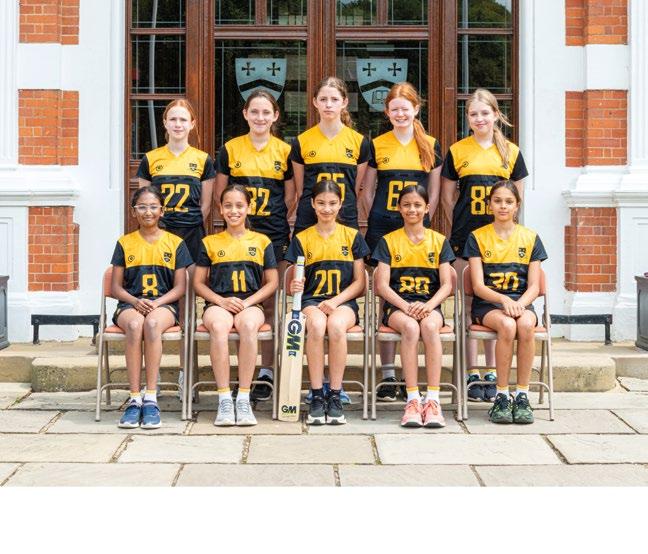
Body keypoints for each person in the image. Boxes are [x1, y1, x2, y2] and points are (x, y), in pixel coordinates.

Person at [440, 88, 528, 402]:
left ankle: (491, 371)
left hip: (500, 240)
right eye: (473, 114)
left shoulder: (511, 153)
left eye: (484, 113)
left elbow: (517, 198)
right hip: (466, 237)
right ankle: (470, 371)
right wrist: (461, 228)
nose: (479, 119)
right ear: (468, 118)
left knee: (494, 304)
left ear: (495, 115)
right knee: (466, 307)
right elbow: (448, 199)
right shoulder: (457, 150)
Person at [360, 82, 443, 402]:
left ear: (416, 109)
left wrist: (418, 219)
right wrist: (381, 216)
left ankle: (415, 375)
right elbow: (367, 191)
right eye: (394, 109)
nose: (400, 114)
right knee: (386, 296)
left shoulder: (430, 145)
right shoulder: (378, 144)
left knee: (419, 289)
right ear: (387, 112)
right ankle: (388, 374)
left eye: (405, 108)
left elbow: (433, 192)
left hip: (418, 226)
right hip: (384, 226)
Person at [215, 90, 294, 403]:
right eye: (255, 112)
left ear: (275, 116)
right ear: (245, 114)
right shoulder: (230, 149)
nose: (260, 117)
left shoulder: (285, 151)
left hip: (273, 234)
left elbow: (290, 195)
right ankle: (240, 372)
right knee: (237, 301)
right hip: (239, 233)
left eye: (266, 112)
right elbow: (220, 194)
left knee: (271, 302)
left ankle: (267, 370)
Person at [137, 99, 216, 395]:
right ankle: (153, 376)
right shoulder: (151, 159)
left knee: (187, 308)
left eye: (183, 119)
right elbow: (145, 204)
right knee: (154, 302)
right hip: (159, 238)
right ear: (165, 123)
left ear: (192, 124)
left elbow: (205, 206)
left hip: (191, 237)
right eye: (173, 119)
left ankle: (187, 373)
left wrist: (186, 230)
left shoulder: (203, 160)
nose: (178, 124)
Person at [285, 180, 370, 425]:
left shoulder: (352, 236)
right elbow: (293, 282)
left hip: (343, 302)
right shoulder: (302, 238)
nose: (327, 208)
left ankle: (334, 393)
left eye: (332, 203)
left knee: (335, 326)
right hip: (312, 301)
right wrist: (294, 286)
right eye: (321, 203)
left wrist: (335, 301)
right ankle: (316, 394)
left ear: (341, 204)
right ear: (312, 204)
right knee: (316, 325)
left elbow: (359, 283)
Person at [193, 185, 279, 426]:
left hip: (250, 303)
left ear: (248, 208)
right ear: (220, 209)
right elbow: (198, 283)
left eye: (239, 205)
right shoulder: (210, 242)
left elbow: (273, 282)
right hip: (218, 303)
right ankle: (223, 399)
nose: (234, 211)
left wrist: (248, 302)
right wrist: (221, 301)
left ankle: (243, 396)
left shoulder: (262, 241)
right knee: (219, 327)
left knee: (249, 325)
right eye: (228, 205)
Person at [463, 180, 547, 424]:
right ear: (489, 204)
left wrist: (519, 303)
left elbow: (534, 286)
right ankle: (501, 395)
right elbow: (478, 286)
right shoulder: (477, 237)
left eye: (509, 201)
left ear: (517, 205)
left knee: (526, 324)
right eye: (498, 201)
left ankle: (522, 395)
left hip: (522, 302)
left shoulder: (531, 238)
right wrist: (503, 300)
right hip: (489, 305)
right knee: (508, 325)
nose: (503, 206)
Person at [372, 185, 455, 428]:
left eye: (418, 205)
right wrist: (406, 307)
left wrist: (429, 306)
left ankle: (433, 399)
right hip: (398, 308)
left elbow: (447, 284)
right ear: (399, 208)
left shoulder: (439, 241)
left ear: (427, 208)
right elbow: (382, 286)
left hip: (430, 306)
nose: (412, 209)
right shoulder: (388, 241)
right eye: (407, 205)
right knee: (410, 327)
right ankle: (412, 399)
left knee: (429, 327)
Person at [111, 186, 193, 429]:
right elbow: (116, 287)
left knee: (153, 323)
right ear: (133, 211)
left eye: (153, 207)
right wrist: (135, 301)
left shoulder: (175, 243)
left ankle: (151, 398)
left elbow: (180, 287)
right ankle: (134, 398)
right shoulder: (124, 243)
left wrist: (157, 303)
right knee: (135, 325)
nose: (148, 212)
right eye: (142, 207)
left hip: (163, 304)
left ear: (162, 210)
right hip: (130, 303)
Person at [290, 76, 370, 235]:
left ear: (344, 102)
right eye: (323, 99)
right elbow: (301, 190)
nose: (328, 104)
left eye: (334, 99)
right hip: (309, 217)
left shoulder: (359, 142)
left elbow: (354, 188)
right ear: (315, 102)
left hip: (345, 215)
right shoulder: (301, 141)